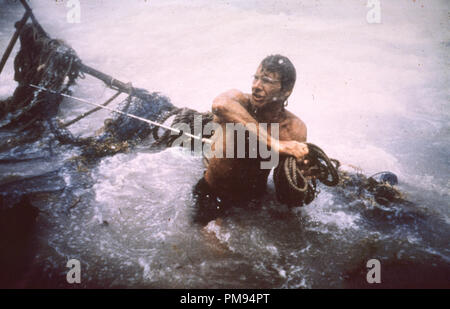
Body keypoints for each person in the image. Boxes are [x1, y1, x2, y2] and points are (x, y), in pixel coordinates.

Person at [192, 55, 310, 224]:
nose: (256, 86)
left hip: (254, 202)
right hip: (214, 194)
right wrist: (274, 143)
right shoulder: (238, 103)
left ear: (286, 91)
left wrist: (303, 173)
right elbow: (219, 105)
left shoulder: (293, 129)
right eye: (256, 78)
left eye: (267, 81)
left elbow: (286, 189)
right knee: (217, 246)